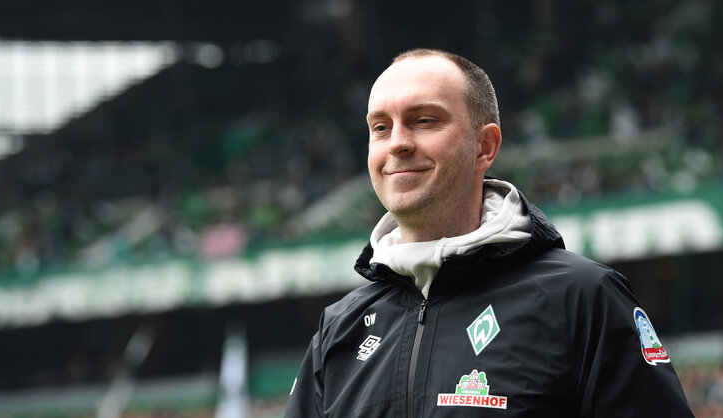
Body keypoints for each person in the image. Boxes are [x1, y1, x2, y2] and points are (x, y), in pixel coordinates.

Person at [284, 48, 694, 417]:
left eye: (423, 120)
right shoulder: (339, 328)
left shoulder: (581, 297)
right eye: (380, 127)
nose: (397, 144)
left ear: (485, 146)